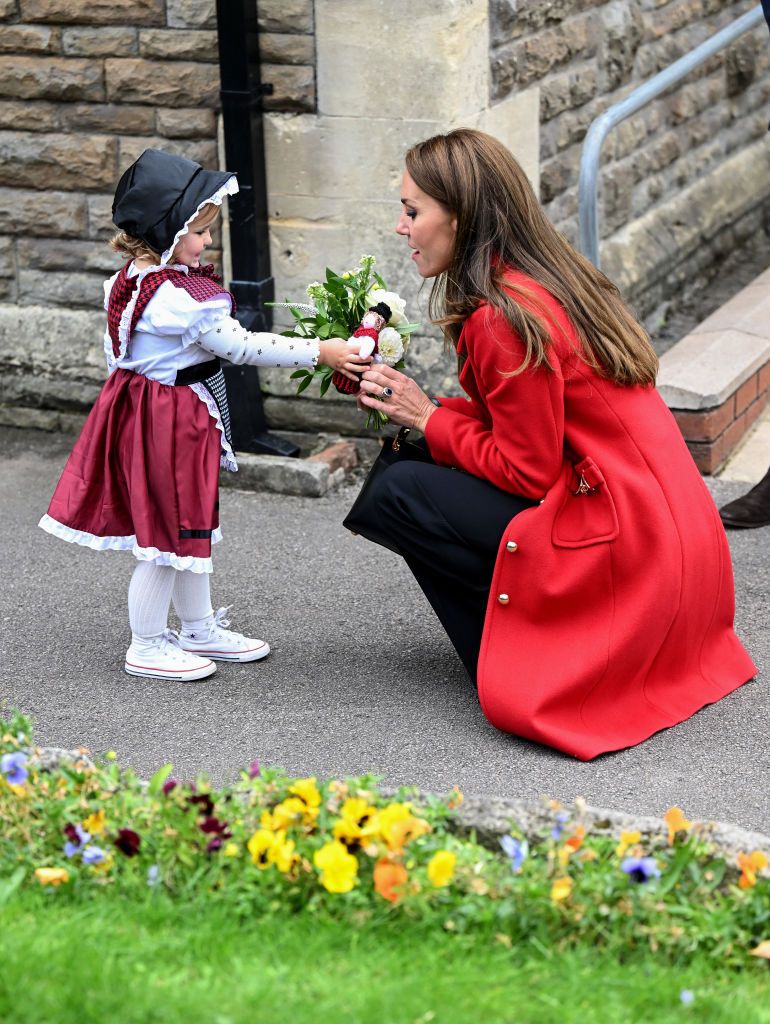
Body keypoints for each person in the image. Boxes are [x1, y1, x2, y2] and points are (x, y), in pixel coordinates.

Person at [355, 128, 756, 761]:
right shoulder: (546, 278)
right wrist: (421, 414)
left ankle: (519, 654)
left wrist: (430, 418)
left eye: (412, 212)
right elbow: (531, 430)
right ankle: (521, 634)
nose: (402, 228)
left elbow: (526, 470)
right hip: (676, 538)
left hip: (635, 548)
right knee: (412, 451)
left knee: (401, 487)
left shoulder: (502, 317)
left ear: (459, 218)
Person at [40, 149, 367, 683]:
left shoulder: (134, 279)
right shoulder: (178, 300)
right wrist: (321, 352)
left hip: (157, 411)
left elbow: (115, 353)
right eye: (199, 231)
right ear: (166, 231)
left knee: (190, 525)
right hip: (168, 419)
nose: (208, 241)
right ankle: (146, 643)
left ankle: (197, 627)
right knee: (166, 535)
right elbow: (240, 348)